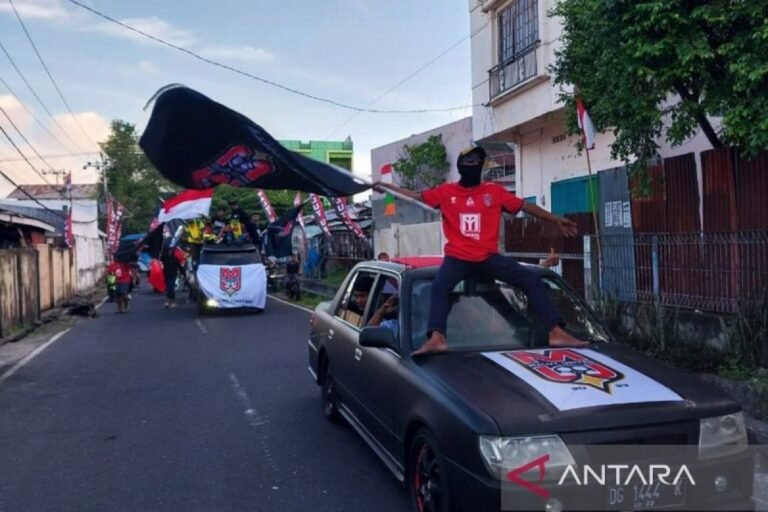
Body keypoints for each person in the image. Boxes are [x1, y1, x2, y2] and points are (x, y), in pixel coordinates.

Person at [375, 146, 588, 356]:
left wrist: (555, 219)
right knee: (440, 286)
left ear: (481, 166)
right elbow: (414, 195)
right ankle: (437, 338)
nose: (472, 166)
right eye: (467, 163)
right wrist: (386, 187)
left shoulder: (494, 192)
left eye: (476, 162)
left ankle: (556, 332)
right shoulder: (445, 192)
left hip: (488, 258)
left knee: (531, 279)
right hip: (457, 257)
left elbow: (524, 206)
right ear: (460, 167)